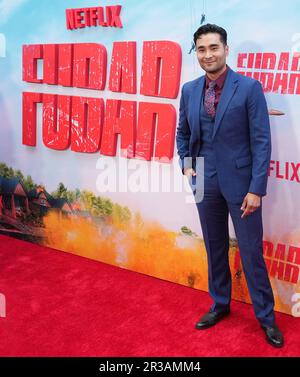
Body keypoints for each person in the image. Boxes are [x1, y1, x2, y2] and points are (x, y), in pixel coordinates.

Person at [176, 23, 284, 348]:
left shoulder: (249, 88)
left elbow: (261, 142)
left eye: (214, 47)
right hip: (202, 180)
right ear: (196, 53)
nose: (208, 54)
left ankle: (266, 318)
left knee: (251, 254)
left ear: (226, 49)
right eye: (202, 49)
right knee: (214, 247)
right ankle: (219, 304)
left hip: (242, 185)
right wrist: (186, 164)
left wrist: (256, 189)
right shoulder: (190, 89)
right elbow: (182, 132)